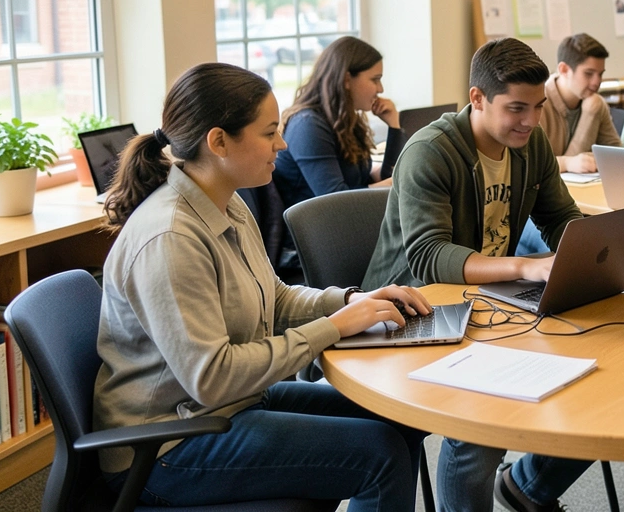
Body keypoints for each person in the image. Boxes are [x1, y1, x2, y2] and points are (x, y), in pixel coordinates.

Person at [94, 63, 432, 511]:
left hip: (230, 405)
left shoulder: (225, 199)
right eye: (269, 132)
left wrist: (352, 301)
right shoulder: (171, 237)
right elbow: (211, 378)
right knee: (380, 455)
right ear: (218, 142)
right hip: (166, 446)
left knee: (398, 418)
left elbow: (274, 296)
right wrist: (332, 328)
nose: (283, 144)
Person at [361, 37, 594, 512]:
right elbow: (428, 256)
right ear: (477, 98)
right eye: (515, 109)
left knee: (601, 376)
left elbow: (559, 219)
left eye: (537, 107)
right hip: (411, 311)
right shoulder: (431, 150)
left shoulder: (531, 147)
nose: (530, 121)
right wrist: (527, 266)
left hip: (485, 304)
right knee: (480, 425)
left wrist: (600, 246)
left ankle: (527, 486)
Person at [274, 36, 401, 211]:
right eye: (375, 79)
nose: (380, 89)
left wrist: (393, 126)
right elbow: (335, 200)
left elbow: (382, 176)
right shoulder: (308, 126)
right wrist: (395, 184)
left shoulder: (344, 120)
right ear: (347, 80)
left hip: (343, 223)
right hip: (317, 233)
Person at [540, 33, 622, 174]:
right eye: (589, 74)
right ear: (564, 70)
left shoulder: (596, 103)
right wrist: (567, 163)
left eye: (600, 74)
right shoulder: (538, 103)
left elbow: (617, 155)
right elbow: (530, 166)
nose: (597, 82)